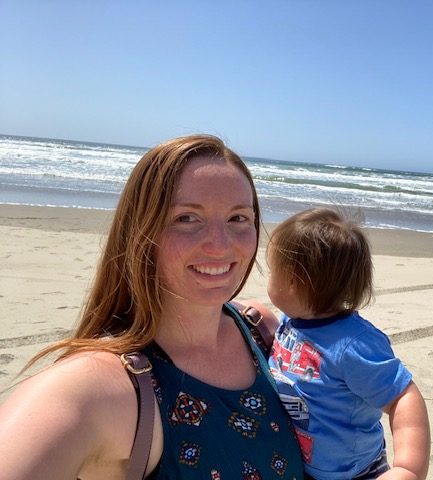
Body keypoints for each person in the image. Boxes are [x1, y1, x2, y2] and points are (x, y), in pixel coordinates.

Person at [0, 134, 304, 479]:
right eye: (187, 218)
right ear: (142, 230)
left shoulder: (261, 330)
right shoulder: (99, 388)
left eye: (238, 218)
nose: (220, 245)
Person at [265, 207, 431, 480]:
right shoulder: (294, 320)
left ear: (294, 281)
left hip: (354, 472)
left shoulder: (353, 345)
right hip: (303, 463)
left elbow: (403, 396)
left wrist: (408, 468)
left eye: (273, 271)